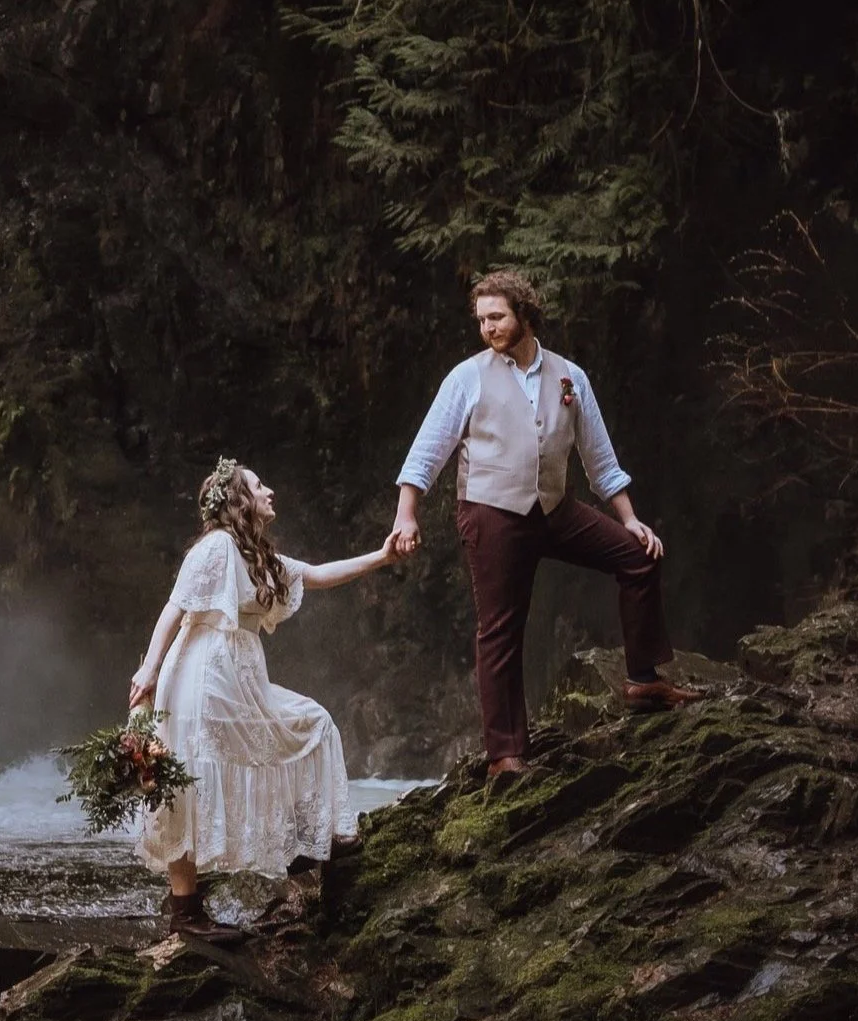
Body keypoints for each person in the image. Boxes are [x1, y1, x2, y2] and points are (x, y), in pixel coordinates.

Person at [387, 269, 703, 781]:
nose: (487, 327)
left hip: (554, 510)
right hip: (491, 513)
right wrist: (407, 512)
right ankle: (505, 755)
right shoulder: (467, 377)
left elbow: (599, 458)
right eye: (481, 319)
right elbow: (428, 450)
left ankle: (643, 680)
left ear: (524, 313)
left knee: (638, 557)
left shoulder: (570, 377)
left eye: (497, 316)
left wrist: (630, 519)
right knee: (500, 630)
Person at [127, 458, 396, 941]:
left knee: (310, 724)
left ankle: (310, 845)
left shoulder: (258, 556)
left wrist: (381, 557)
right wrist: (147, 669)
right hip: (201, 674)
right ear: (238, 501)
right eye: (258, 485)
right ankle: (187, 915)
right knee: (190, 775)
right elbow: (176, 606)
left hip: (238, 677)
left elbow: (316, 574)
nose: (269, 490)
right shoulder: (215, 547)